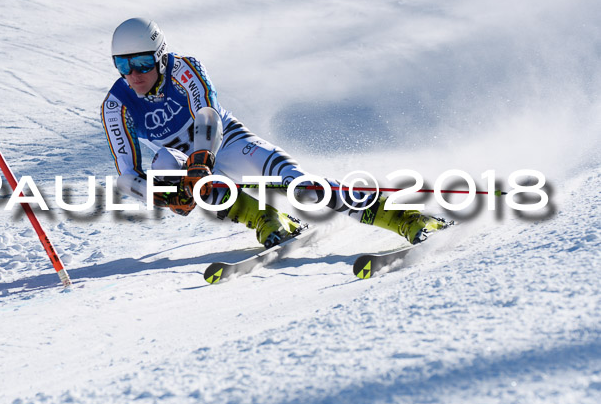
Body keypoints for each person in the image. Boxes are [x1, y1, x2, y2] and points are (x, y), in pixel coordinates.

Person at [101, 18, 448, 249]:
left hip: (227, 142)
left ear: (161, 57)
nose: (134, 74)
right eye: (123, 64)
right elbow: (127, 176)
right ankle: (266, 218)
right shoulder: (117, 106)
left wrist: (202, 158)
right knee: (164, 164)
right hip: (188, 164)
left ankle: (406, 217)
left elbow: (208, 112)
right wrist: (162, 195)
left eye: (143, 62)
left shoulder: (184, 68)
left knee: (303, 187)